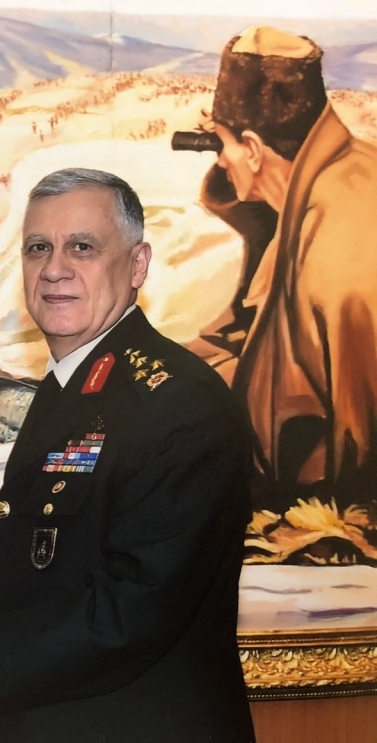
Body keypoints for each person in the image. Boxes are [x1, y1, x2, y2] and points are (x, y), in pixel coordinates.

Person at [0, 168, 257, 743]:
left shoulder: (178, 403)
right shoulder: (76, 383)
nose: (54, 269)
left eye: (83, 247)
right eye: (37, 248)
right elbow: (65, 567)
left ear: (138, 264)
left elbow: (134, 609)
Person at [179, 26, 377, 514]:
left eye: (223, 146)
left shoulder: (337, 251)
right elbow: (251, 338)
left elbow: (353, 444)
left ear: (252, 148)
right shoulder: (340, 177)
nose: (221, 161)